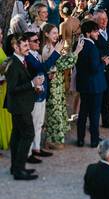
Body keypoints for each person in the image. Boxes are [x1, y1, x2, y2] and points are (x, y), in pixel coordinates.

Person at [5, 34, 45, 180]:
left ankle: (15, 168)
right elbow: (13, 89)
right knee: (28, 134)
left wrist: (34, 86)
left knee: (17, 135)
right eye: (25, 46)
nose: (28, 48)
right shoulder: (13, 64)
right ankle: (19, 170)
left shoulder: (20, 61)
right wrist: (33, 84)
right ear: (16, 47)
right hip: (19, 106)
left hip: (21, 105)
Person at [26, 27, 62, 162]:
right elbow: (41, 68)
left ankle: (36, 147)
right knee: (33, 124)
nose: (38, 43)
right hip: (34, 95)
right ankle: (29, 152)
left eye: (37, 40)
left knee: (39, 123)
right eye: (34, 41)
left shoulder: (35, 54)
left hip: (42, 93)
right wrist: (56, 52)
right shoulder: (29, 56)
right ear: (27, 43)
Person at [44, 24, 82, 148]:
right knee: (54, 112)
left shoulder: (54, 47)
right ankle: (53, 141)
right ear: (46, 34)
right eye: (53, 33)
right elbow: (61, 65)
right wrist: (76, 52)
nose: (56, 35)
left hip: (58, 84)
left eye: (56, 33)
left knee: (59, 110)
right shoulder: (47, 49)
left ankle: (53, 139)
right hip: (52, 85)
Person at [76, 20, 109, 148]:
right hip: (95, 86)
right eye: (95, 31)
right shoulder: (93, 48)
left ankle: (80, 139)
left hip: (83, 84)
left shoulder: (78, 44)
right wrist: (104, 63)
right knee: (94, 114)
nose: (97, 34)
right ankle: (94, 140)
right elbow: (95, 68)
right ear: (88, 33)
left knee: (83, 112)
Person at [0, 43, 12, 152]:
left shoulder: (1, 48)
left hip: (4, 88)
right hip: (0, 86)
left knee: (5, 114)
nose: (0, 36)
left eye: (1, 34)